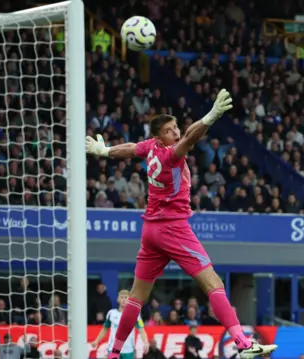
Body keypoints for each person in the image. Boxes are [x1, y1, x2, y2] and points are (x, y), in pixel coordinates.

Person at [85, 89, 277, 359]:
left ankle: (113, 353)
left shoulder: (150, 147)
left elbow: (130, 149)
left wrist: (104, 151)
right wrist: (211, 116)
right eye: (169, 129)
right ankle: (244, 345)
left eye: (176, 126)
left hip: (150, 231)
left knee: (136, 297)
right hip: (172, 228)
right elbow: (191, 137)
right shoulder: (168, 155)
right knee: (213, 283)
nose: (176, 132)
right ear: (159, 136)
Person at [92, 290, 149, 359]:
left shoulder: (135, 314)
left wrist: (146, 342)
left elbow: (141, 330)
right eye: (121, 297)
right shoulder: (111, 313)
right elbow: (105, 329)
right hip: (114, 349)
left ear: (129, 300)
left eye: (126, 297)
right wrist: (96, 341)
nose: (123, 300)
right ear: (118, 299)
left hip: (128, 350)